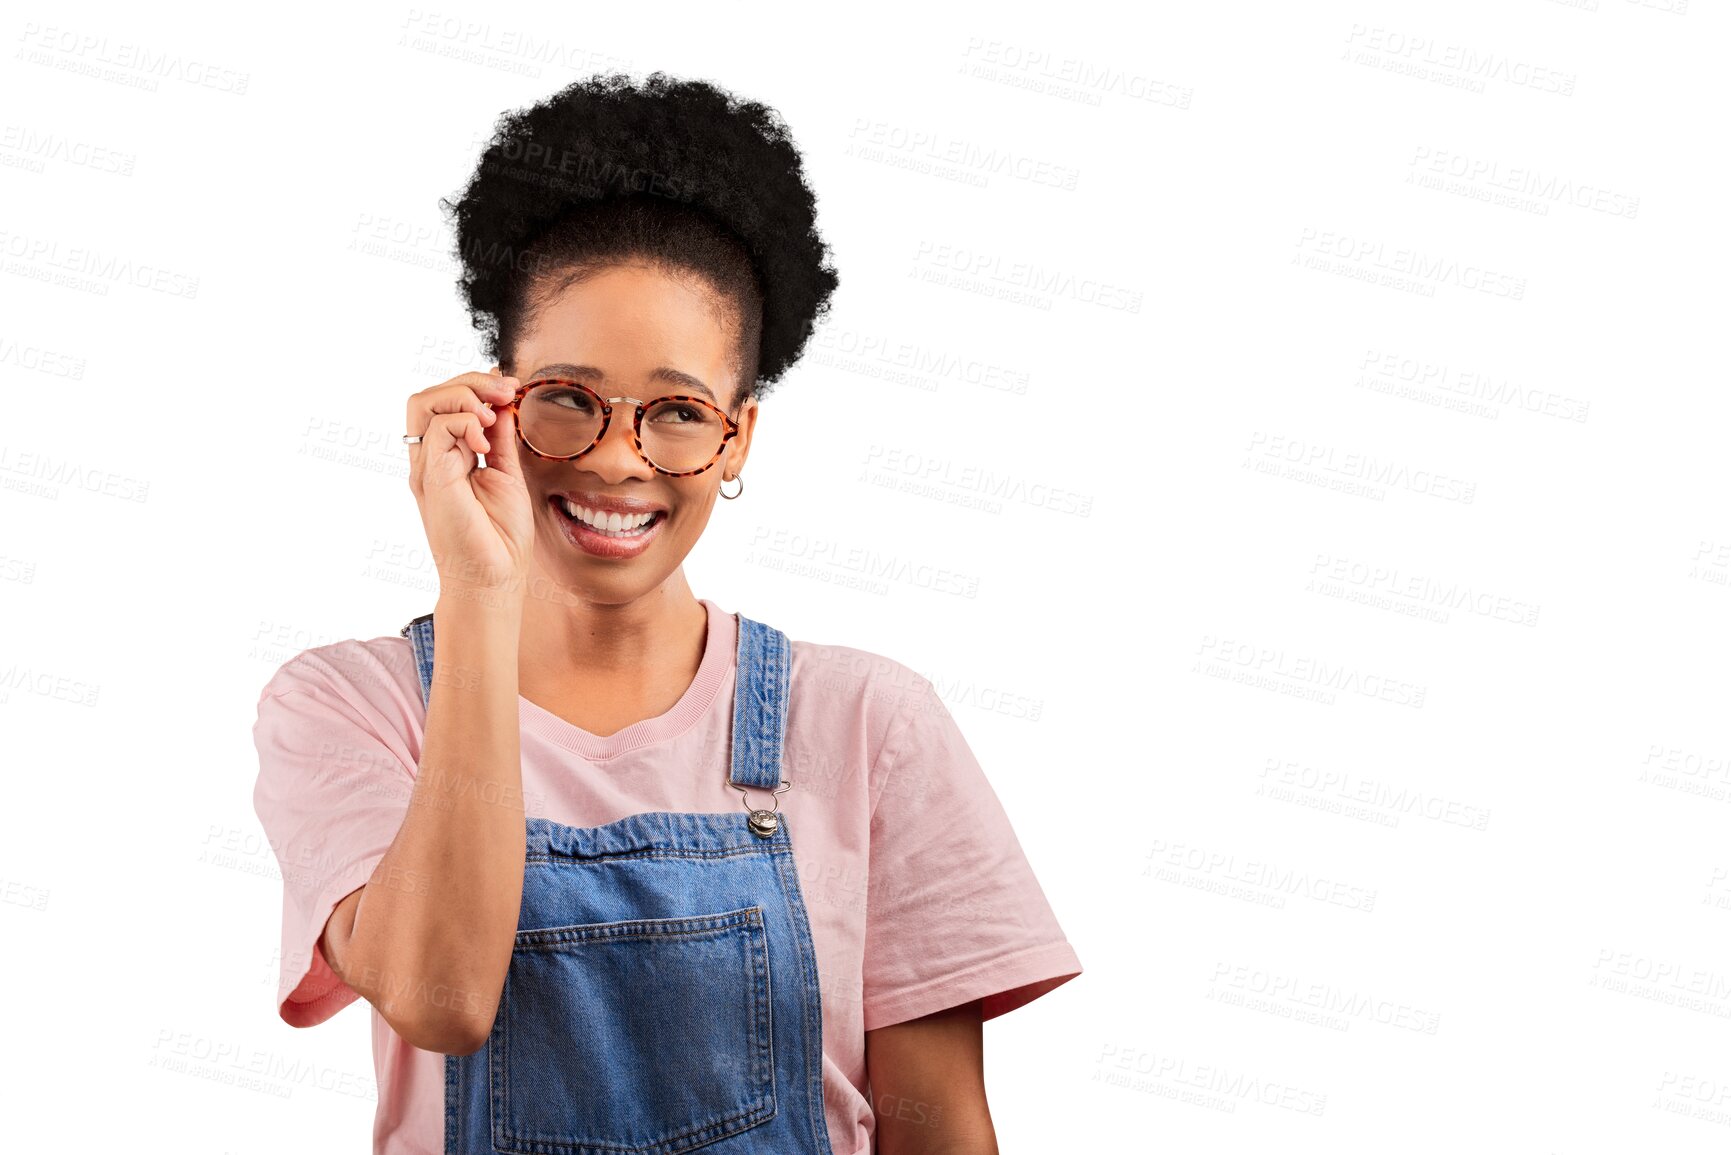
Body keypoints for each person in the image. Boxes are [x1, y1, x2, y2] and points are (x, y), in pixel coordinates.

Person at [252, 71, 1082, 1155]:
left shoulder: (871, 725)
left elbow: (941, 1135)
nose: (615, 457)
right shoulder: (349, 707)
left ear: (737, 439)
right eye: (568, 397)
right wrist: (480, 590)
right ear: (494, 398)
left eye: (679, 413)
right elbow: (440, 997)